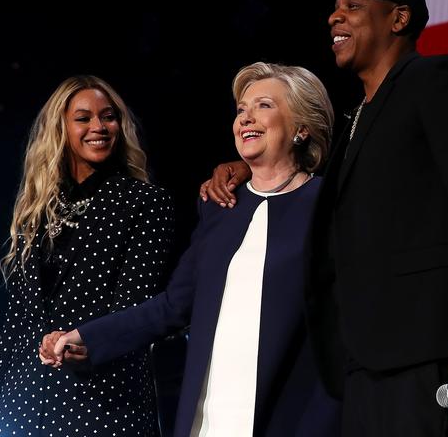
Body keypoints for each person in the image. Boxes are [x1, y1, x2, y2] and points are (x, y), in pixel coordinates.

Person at [200, 0, 448, 437]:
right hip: (362, 367)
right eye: (333, 8)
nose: (334, 17)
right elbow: (340, 183)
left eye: (353, 5)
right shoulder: (355, 121)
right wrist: (250, 165)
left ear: (399, 17)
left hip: (430, 356)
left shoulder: (438, 81)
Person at [39, 62, 341, 436]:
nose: (245, 118)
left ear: (301, 128)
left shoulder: (332, 205)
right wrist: (86, 337)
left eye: (263, 106)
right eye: (241, 110)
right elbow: (173, 305)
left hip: (293, 416)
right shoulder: (221, 205)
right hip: (211, 416)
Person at [0, 75, 174, 437]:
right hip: (22, 405)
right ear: (61, 127)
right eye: (83, 118)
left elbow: (135, 307)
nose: (99, 127)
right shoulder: (39, 209)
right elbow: (16, 324)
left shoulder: (144, 202)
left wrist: (82, 340)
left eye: (108, 117)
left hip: (102, 401)